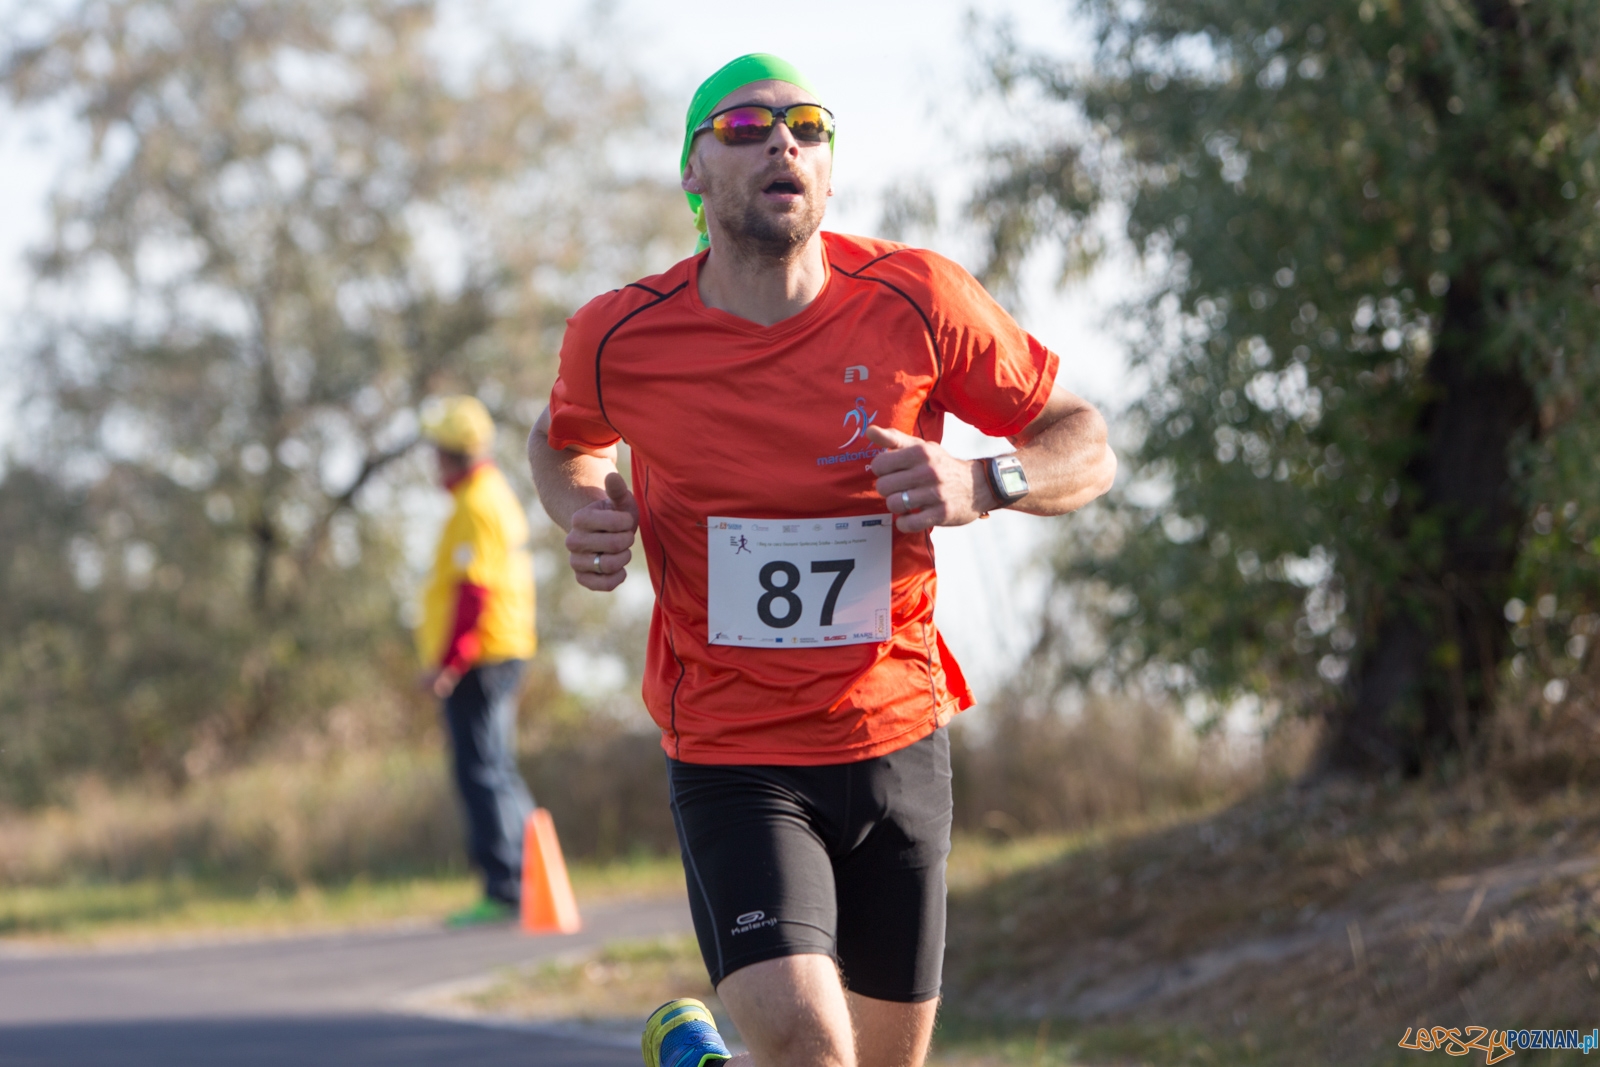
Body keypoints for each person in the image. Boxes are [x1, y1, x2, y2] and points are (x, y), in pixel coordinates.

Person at [527, 53, 1116, 1067]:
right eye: (745, 127)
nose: (781, 141)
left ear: (829, 171)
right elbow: (560, 436)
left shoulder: (919, 299)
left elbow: (1083, 440)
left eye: (805, 125)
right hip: (730, 745)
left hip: (895, 738)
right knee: (809, 1046)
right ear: (694, 175)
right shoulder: (620, 334)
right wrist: (581, 507)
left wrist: (985, 481)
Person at [416, 395, 538, 926]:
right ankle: (531, 876)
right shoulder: (488, 495)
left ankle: (506, 886)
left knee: (481, 771)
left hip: (482, 658)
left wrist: (449, 661)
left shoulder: (475, 505)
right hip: (496, 652)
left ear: (449, 454)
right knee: (496, 767)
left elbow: (473, 593)